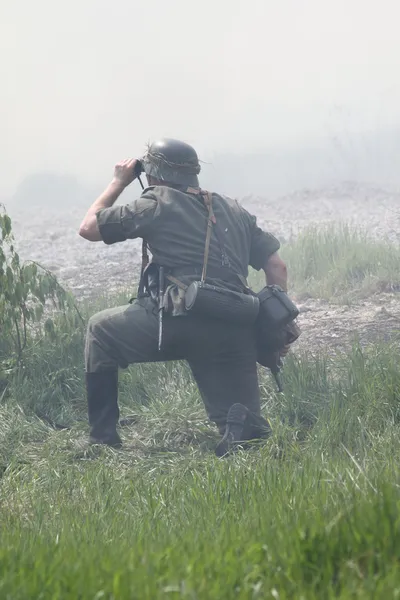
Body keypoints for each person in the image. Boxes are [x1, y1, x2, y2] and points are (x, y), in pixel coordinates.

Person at [78, 138, 288, 455]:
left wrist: (119, 181)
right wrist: (272, 329)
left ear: (154, 174)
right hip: (235, 324)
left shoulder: (157, 201)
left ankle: (103, 439)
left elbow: (89, 227)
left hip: (177, 323)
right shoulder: (233, 209)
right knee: (248, 432)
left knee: (99, 330)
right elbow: (277, 266)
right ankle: (238, 434)